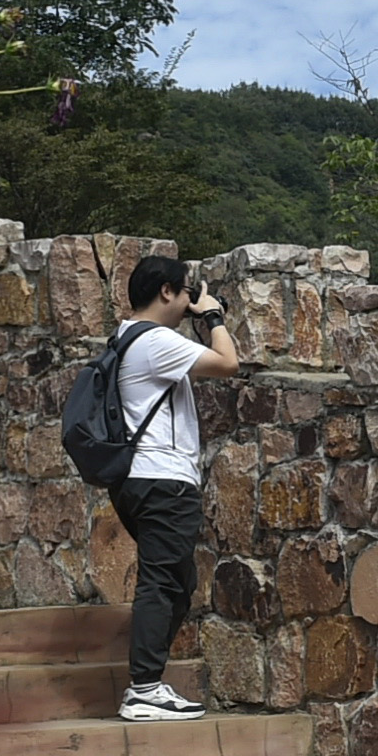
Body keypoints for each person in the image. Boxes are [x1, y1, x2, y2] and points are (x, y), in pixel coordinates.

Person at [107, 253, 236, 720]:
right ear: (166, 292)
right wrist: (214, 316)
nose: (189, 302)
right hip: (162, 479)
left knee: (179, 582)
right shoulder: (156, 341)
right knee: (162, 582)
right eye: (185, 292)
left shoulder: (125, 337)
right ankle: (143, 688)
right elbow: (228, 362)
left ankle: (148, 682)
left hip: (138, 478)